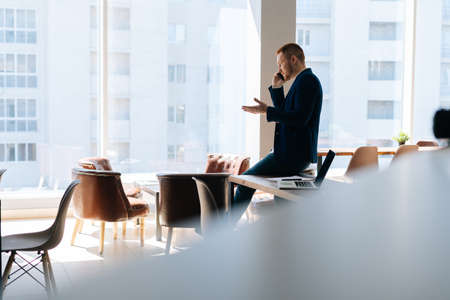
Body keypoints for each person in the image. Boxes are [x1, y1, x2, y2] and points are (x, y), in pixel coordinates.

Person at [233, 43, 323, 220]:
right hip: (291, 154)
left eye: (281, 64)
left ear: (293, 59)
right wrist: (276, 88)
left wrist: (266, 110)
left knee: (244, 182)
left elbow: (299, 119)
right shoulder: (302, 81)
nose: (279, 69)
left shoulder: (307, 81)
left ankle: (222, 230)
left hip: (291, 155)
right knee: (281, 200)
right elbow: (286, 115)